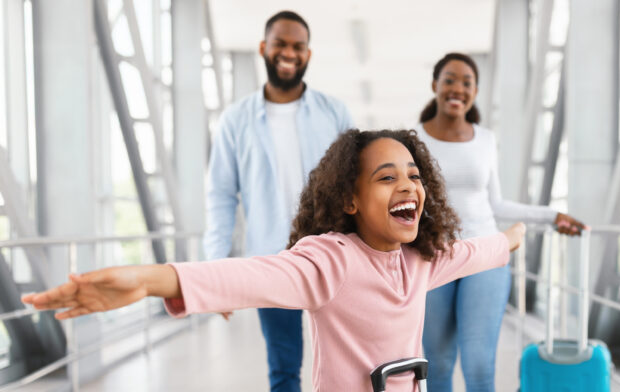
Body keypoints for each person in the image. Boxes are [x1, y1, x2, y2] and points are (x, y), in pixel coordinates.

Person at [21, 130, 527, 392]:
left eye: (414, 176)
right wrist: (153, 278)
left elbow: (471, 253)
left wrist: (512, 238)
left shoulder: (420, 260)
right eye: (387, 177)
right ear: (350, 201)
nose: (408, 186)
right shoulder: (330, 261)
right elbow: (249, 275)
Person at [415, 53, 587, 392]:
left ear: (475, 91)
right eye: (450, 79)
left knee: (479, 364)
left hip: (486, 255)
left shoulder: (486, 140)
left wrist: (552, 216)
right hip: (433, 258)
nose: (457, 89)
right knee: (438, 363)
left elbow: (497, 204)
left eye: (467, 83)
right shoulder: (412, 138)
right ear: (435, 85)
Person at [204, 10, 353, 391]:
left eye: (298, 46)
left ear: (308, 54)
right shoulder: (236, 120)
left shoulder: (334, 112)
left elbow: (357, 185)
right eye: (280, 44)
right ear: (263, 49)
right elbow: (221, 195)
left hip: (334, 257)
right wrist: (215, 270)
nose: (289, 53)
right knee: (284, 370)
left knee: (346, 367)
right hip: (272, 260)